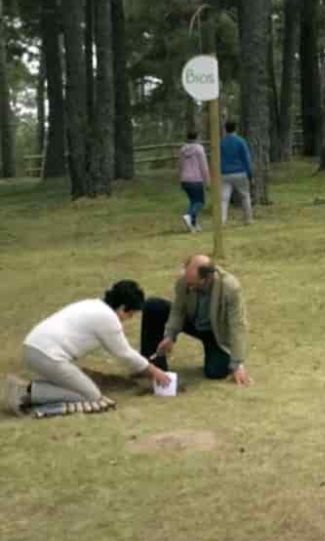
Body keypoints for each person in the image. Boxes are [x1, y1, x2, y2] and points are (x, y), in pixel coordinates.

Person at [6, 281, 172, 418]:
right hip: (47, 354)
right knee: (90, 396)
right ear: (122, 308)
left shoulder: (93, 305)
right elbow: (124, 353)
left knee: (78, 386)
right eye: (130, 314)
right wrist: (154, 371)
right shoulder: (108, 318)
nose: (129, 319)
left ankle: (31, 390)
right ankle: (26, 392)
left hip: (34, 346)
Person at [141, 255, 252, 386]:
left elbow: (237, 325)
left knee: (216, 372)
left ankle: (217, 356)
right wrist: (170, 336)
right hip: (193, 322)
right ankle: (152, 365)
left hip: (215, 332)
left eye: (193, 283)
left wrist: (237, 363)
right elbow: (178, 309)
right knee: (153, 306)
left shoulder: (230, 287)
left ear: (207, 278)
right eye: (187, 282)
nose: (189, 286)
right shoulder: (185, 281)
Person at [220, 120, 254, 225]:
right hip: (240, 172)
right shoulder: (240, 141)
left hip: (225, 173)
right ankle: (248, 219)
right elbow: (246, 158)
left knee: (224, 199)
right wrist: (250, 174)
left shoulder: (221, 142)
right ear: (236, 128)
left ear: (225, 129)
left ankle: (222, 220)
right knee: (245, 196)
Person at [178, 130, 210, 233]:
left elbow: (180, 165)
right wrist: (207, 180)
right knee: (200, 202)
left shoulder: (182, 149)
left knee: (193, 201)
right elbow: (203, 166)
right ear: (197, 137)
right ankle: (189, 216)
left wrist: (180, 179)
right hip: (196, 179)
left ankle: (194, 224)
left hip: (185, 179)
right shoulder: (199, 149)